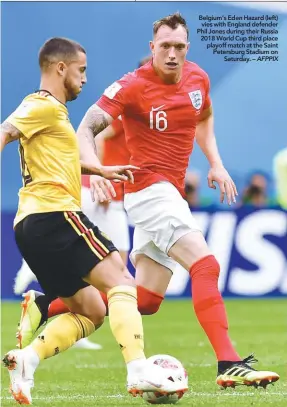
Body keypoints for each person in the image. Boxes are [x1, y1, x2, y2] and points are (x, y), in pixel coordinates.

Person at [75, 12, 279, 389]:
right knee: (206, 264)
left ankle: (54, 303)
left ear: (188, 48)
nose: (172, 53)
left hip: (166, 192)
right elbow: (86, 126)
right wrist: (94, 170)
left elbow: (203, 118)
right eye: (165, 46)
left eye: (179, 47)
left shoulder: (198, 78)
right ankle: (229, 362)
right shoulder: (132, 85)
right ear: (152, 47)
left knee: (147, 300)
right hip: (149, 190)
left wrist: (216, 164)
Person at [1, 37, 183, 405]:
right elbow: (5, 131)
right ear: (60, 68)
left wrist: (100, 169)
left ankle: (27, 360)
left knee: (92, 309)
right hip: (54, 214)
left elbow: (59, 158)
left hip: (31, 225)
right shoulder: (41, 105)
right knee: (121, 280)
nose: (85, 78)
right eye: (81, 70)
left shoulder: (54, 114)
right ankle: (138, 370)